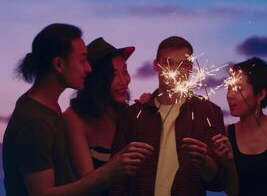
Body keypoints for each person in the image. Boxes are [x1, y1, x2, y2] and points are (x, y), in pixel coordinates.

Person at [2, 23, 153, 196]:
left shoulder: (46, 107)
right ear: (59, 65)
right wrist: (110, 170)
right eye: (82, 60)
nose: (88, 68)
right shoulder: (35, 121)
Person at [109, 36, 226, 196]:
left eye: (183, 65)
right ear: (156, 66)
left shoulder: (208, 112)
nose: (176, 71)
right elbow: (117, 178)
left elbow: (219, 182)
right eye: (169, 63)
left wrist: (204, 161)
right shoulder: (133, 115)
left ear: (191, 68)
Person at [63, 37, 136, 194]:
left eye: (125, 71)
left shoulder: (126, 113)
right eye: (114, 75)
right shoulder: (74, 117)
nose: (123, 81)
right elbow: (86, 183)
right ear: (96, 80)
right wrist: (116, 165)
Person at [213, 57, 267, 196]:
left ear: (261, 94)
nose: (230, 96)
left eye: (238, 89)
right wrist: (228, 162)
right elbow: (231, 192)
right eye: (229, 89)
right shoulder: (227, 134)